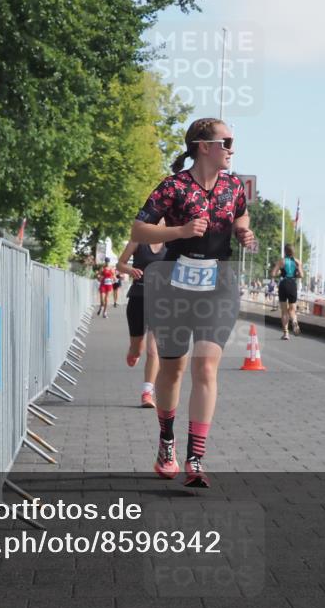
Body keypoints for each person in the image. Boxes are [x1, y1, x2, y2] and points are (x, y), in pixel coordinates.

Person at [131, 117, 256, 488]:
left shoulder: (234, 185)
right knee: (174, 370)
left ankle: (196, 458)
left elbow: (241, 211)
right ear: (204, 145)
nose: (232, 148)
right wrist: (180, 231)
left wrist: (242, 229)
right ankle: (166, 441)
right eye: (227, 141)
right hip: (174, 282)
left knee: (207, 368)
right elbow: (139, 230)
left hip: (219, 282)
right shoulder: (174, 187)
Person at [116, 232, 166, 408]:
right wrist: (130, 270)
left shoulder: (173, 243)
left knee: (153, 351)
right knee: (139, 349)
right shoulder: (138, 240)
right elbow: (120, 264)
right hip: (138, 298)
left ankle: (147, 393)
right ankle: (133, 350)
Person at [271, 244, 303, 340]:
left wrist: (279, 273)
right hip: (292, 284)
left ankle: (286, 333)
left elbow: (273, 274)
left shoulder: (282, 261)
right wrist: (294, 275)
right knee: (292, 310)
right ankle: (294, 321)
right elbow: (301, 275)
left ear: (285, 251)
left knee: (284, 311)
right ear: (293, 252)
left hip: (283, 284)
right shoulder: (298, 262)